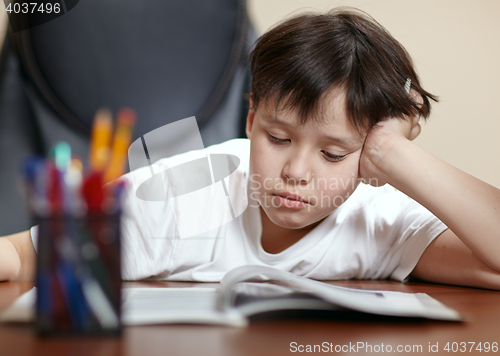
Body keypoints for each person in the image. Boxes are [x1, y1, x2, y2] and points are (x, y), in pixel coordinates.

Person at [1, 8, 500, 288]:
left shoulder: (378, 217)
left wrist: (396, 154)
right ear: (250, 119)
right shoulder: (178, 199)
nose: (297, 172)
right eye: (278, 138)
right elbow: (22, 258)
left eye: (333, 154)